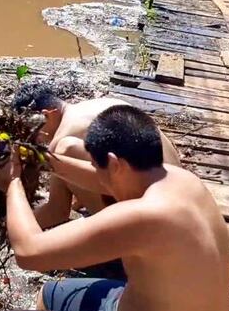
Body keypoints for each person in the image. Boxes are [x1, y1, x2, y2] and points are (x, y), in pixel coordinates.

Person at [0, 105, 229, 311]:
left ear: (114, 163)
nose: (100, 180)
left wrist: (12, 183)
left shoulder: (145, 218)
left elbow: (29, 252)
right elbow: (104, 181)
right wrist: (43, 160)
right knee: (49, 294)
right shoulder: (180, 181)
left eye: (99, 168)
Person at [11, 82, 181, 228]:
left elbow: (57, 211)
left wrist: (13, 227)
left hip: (155, 221)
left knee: (65, 150)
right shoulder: (101, 103)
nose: (35, 139)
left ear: (46, 115)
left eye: (32, 132)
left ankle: (117, 246)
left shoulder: (62, 138)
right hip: (178, 194)